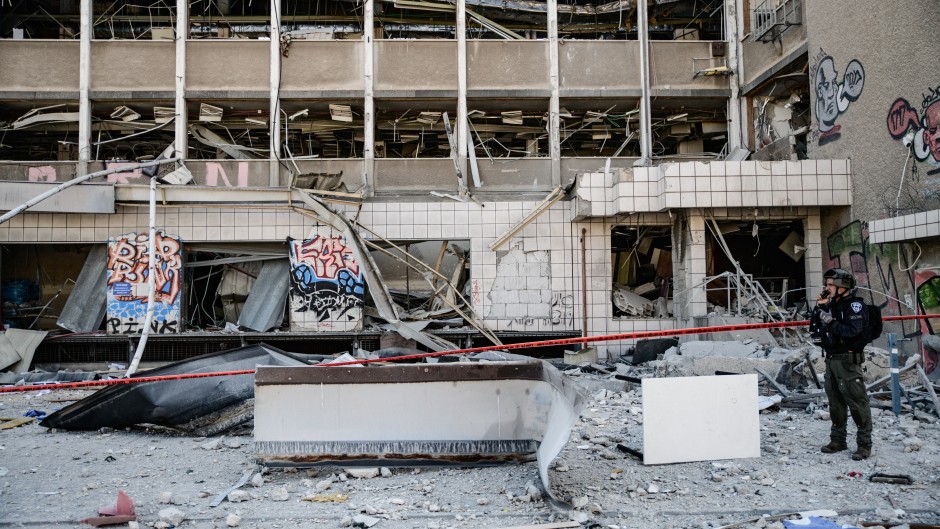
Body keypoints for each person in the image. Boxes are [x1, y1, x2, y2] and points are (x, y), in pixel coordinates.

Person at [809, 268, 872, 461]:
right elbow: (813, 327)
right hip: (831, 359)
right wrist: (819, 308)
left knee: (857, 402)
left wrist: (829, 322)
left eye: (830, 285)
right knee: (835, 403)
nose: (826, 288)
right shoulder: (832, 305)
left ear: (842, 287)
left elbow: (852, 332)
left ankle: (864, 445)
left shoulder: (854, 307)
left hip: (848, 361)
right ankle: (837, 440)